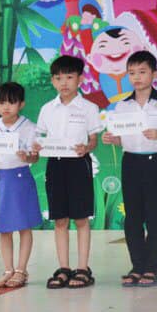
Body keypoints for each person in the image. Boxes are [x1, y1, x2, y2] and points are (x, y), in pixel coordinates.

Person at [101, 51, 157, 286]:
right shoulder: (122, 106)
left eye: (142, 72)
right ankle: (137, 266)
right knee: (133, 217)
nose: (136, 77)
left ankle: (152, 268)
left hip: (155, 162)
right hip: (131, 162)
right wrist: (112, 139)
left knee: (156, 216)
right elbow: (121, 138)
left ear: (154, 74)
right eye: (132, 73)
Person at [35, 55, 104, 289]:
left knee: (81, 218)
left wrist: (87, 147)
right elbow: (40, 137)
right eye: (58, 78)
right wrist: (36, 146)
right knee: (60, 219)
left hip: (78, 165)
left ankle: (83, 269)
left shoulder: (89, 108)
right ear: (52, 81)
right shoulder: (47, 109)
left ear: (80, 79)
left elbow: (93, 140)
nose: (63, 82)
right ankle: (63, 268)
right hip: (55, 165)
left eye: (69, 77)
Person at [0, 82, 42, 288]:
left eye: (12, 103)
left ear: (21, 104)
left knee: (23, 226)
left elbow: (35, 157)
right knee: (4, 227)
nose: (6, 107)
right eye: (1, 102)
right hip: (0, 180)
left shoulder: (29, 128)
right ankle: (8, 269)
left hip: (20, 179)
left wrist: (27, 157)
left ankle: (21, 270)